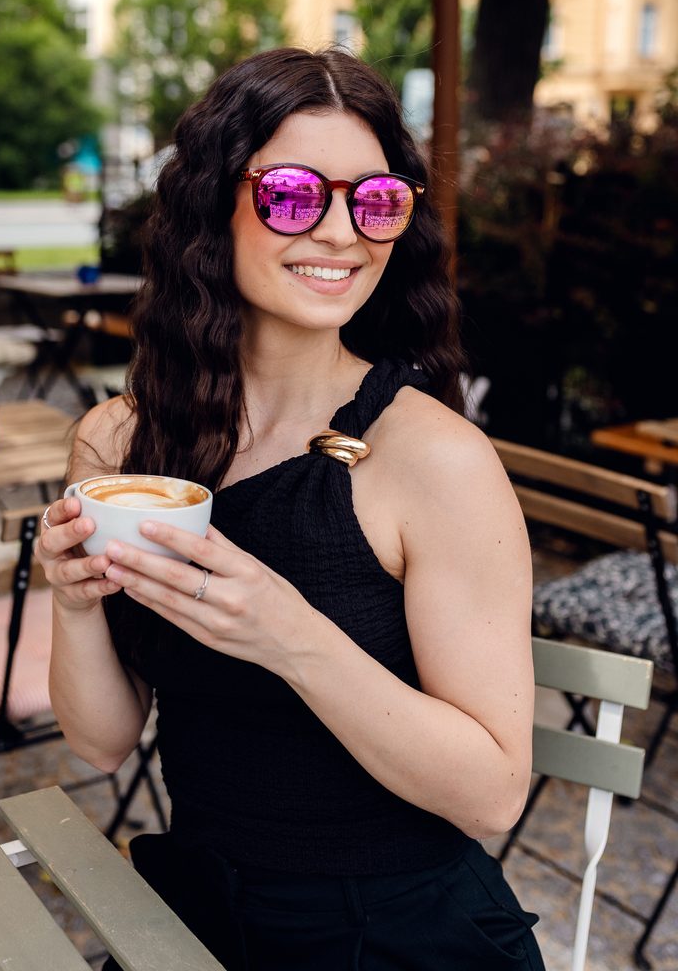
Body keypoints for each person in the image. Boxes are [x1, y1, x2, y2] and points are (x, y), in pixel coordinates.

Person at [37, 47, 544, 971]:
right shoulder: (121, 444)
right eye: (294, 195)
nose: (342, 233)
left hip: (394, 934)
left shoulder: (434, 459)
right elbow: (101, 743)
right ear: (211, 207)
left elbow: (494, 794)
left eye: (375, 200)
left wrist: (290, 636)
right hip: (197, 917)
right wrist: (72, 606)